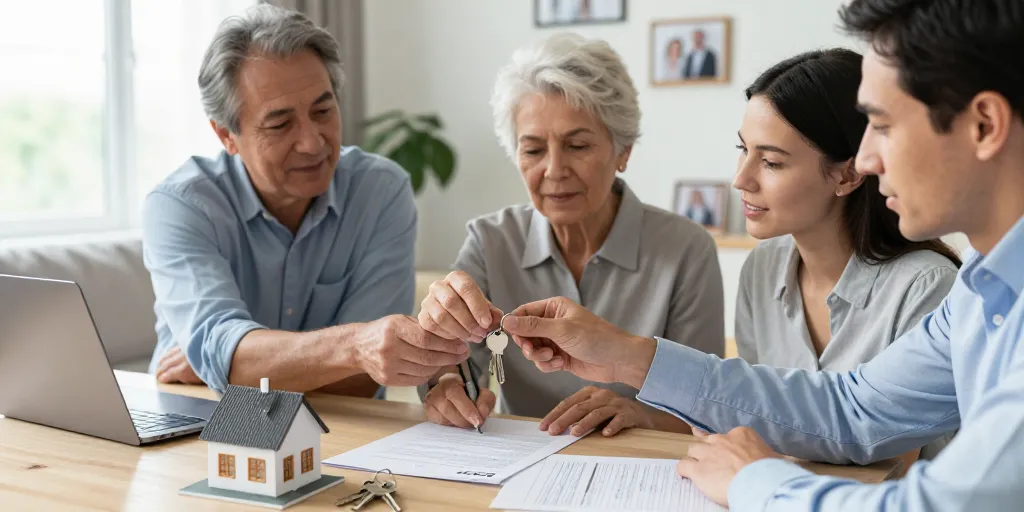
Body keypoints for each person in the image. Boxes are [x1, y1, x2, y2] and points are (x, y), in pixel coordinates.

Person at [501, 0, 1024, 509]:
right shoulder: (981, 288)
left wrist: (755, 481)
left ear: (983, 125)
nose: (866, 158)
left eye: (884, 127)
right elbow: (851, 409)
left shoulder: (942, 285)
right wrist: (626, 355)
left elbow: (929, 501)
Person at [143, 5, 468, 395]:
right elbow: (227, 357)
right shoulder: (181, 206)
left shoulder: (381, 192)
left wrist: (237, 367)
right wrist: (352, 346)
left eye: (323, 110)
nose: (313, 142)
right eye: (280, 124)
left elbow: (364, 379)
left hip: (342, 430)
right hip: (202, 429)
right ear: (226, 135)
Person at [417, 33, 725, 437]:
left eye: (577, 145)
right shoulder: (490, 241)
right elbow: (452, 365)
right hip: (519, 467)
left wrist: (642, 416)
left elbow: (711, 405)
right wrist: (446, 386)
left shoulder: (685, 249)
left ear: (623, 151)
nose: (553, 170)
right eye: (533, 151)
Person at [733, 48, 961, 464]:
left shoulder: (927, 286)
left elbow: (890, 460)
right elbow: (750, 420)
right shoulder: (761, 269)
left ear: (848, 174)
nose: (740, 179)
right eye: (741, 149)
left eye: (770, 162)